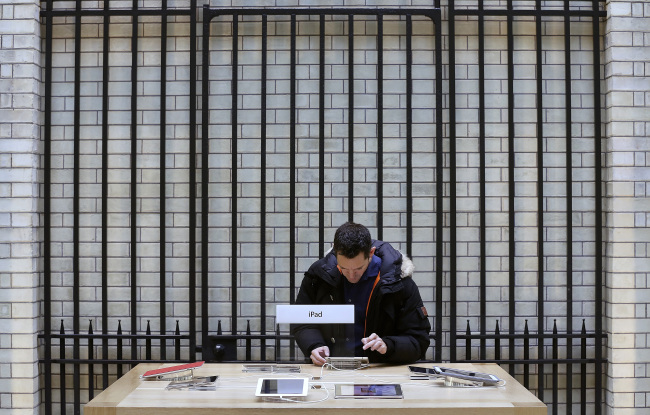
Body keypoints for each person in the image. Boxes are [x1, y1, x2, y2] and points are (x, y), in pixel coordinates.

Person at [291, 222, 431, 366]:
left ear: (371, 253)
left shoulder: (398, 281)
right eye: (344, 268)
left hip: (380, 371)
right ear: (334, 250)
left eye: (358, 268)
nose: (351, 276)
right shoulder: (319, 275)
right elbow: (302, 322)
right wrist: (314, 345)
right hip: (329, 369)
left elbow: (418, 340)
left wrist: (388, 346)